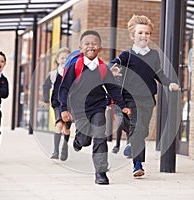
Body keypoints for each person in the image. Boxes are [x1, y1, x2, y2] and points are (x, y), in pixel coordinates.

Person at [109, 15, 179, 177]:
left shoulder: (154, 55)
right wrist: (113, 68)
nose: (144, 36)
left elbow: (158, 73)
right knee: (138, 127)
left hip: (148, 98)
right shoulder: (127, 55)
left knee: (143, 129)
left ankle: (132, 144)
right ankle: (138, 164)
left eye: (147, 33)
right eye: (140, 32)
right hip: (130, 98)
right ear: (133, 35)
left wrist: (169, 83)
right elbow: (113, 63)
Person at [58, 30, 131, 185]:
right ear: (81, 47)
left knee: (100, 135)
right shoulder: (75, 66)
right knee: (85, 140)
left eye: (94, 44)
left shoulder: (103, 68)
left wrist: (123, 105)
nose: (91, 46)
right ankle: (78, 140)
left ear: (100, 48)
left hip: (98, 106)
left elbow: (112, 88)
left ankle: (101, 172)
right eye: (87, 43)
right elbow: (64, 88)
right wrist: (64, 108)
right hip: (79, 108)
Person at [49, 47, 72, 161]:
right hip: (57, 103)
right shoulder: (54, 74)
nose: (64, 60)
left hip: (69, 105)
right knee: (59, 125)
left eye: (67, 58)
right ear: (57, 60)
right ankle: (55, 151)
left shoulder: (72, 73)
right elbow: (46, 86)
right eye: (62, 58)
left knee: (66, 128)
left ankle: (65, 147)